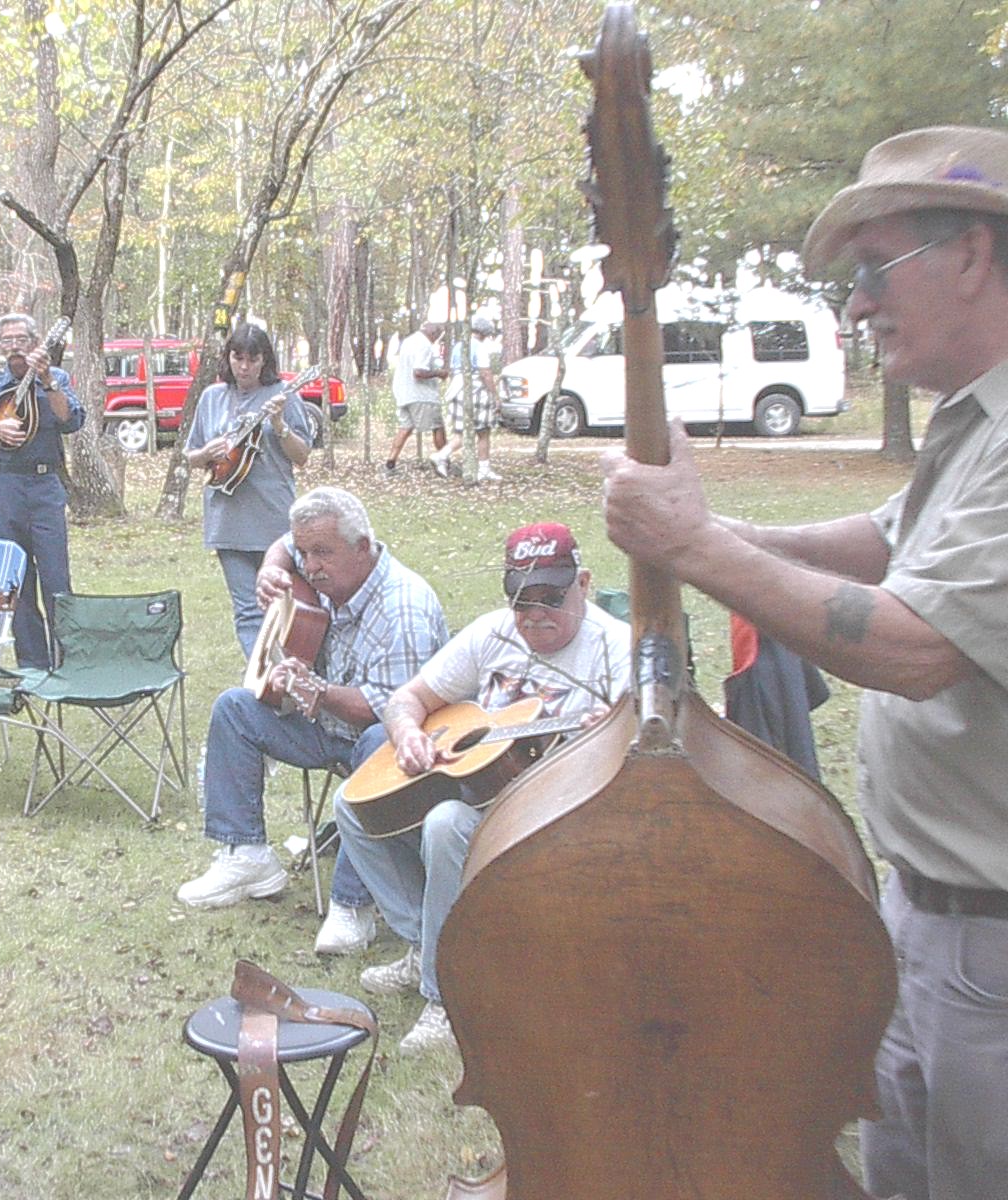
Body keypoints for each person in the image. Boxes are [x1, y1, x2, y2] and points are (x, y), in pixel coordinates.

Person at [600, 125, 1008, 1200]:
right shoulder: (973, 424)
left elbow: (919, 648)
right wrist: (703, 526)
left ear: (970, 254)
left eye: (876, 270)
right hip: (927, 919)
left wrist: (690, 544)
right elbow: (883, 541)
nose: (857, 304)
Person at [336, 523, 630, 1053]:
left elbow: (657, 750)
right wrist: (406, 736)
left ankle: (445, 998)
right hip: (485, 793)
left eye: (550, 598)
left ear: (583, 583)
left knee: (446, 824)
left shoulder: (616, 650)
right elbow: (407, 699)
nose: (534, 613)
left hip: (565, 814)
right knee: (353, 807)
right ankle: (426, 943)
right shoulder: (491, 634)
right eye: (520, 600)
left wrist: (610, 740)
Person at [177, 487, 448, 956]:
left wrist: (315, 691)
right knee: (234, 708)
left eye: (321, 553)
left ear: (363, 546)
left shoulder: (404, 607)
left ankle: (353, 905)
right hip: (325, 726)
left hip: (386, 742)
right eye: (304, 553)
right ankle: (247, 855)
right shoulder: (313, 560)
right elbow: (286, 544)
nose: (310, 565)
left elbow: (392, 711)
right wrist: (271, 567)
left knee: (377, 739)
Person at [0, 312, 83, 670]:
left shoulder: (55, 378)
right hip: (2, 486)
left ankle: (67, 660)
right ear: (0, 346)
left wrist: (47, 380)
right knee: (16, 578)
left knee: (56, 575)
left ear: (35, 342)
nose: (15, 347)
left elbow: (71, 420)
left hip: (44, 485)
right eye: (7, 340)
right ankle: (33, 663)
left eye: (21, 339)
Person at [183, 324, 313, 657]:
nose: (244, 367)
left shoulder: (283, 395)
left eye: (252, 360)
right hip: (228, 521)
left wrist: (281, 426)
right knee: (247, 609)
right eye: (237, 358)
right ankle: (261, 683)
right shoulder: (213, 397)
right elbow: (191, 455)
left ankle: (290, 673)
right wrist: (206, 454)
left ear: (264, 360)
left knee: (283, 605)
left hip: (273, 519)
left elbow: (301, 457)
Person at [430, 317, 502, 484]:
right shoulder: (481, 348)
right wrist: (495, 396)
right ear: (485, 333)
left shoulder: (459, 345)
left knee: (461, 431)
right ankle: (481, 468)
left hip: (456, 389)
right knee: (483, 431)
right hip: (475, 391)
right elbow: (485, 373)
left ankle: (443, 456)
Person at [384, 318, 448, 474]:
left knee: (405, 427)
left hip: (403, 392)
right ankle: (444, 461)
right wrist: (439, 373)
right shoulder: (425, 345)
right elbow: (418, 372)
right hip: (422, 395)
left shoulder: (409, 341)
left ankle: (390, 463)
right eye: (438, 335)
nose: (437, 338)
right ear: (434, 332)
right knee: (438, 427)